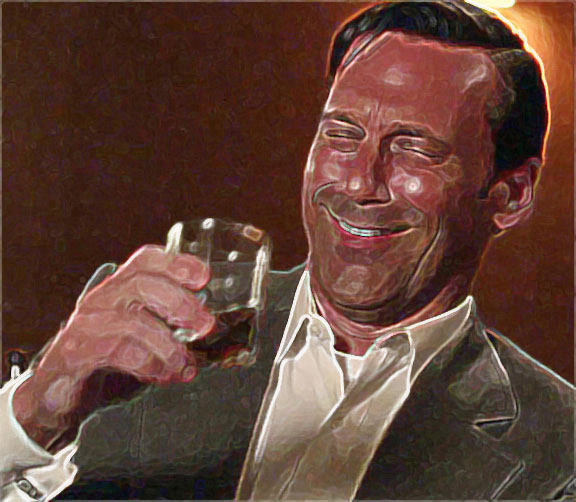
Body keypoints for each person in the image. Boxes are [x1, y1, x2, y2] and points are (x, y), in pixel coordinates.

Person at [1, 1, 574, 500]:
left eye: (414, 149)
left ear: (511, 195)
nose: (358, 183)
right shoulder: (146, 327)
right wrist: (33, 415)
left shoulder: (559, 450)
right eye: (341, 134)